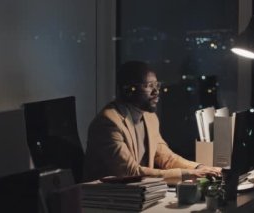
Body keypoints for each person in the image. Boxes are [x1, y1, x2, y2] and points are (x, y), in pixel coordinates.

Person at [83, 61, 221, 184]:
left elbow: (166, 157)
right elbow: (130, 172)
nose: (156, 92)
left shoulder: (150, 117)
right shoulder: (108, 122)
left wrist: (199, 167)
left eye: (157, 85)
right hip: (109, 201)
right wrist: (189, 174)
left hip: (137, 194)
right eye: (149, 86)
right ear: (128, 90)